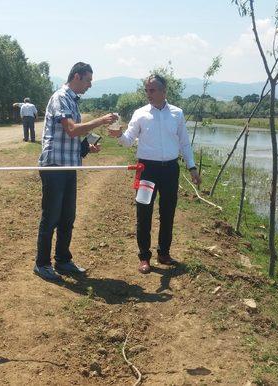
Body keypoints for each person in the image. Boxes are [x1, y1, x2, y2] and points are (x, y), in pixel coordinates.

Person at [108, 74, 201, 274]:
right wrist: (119, 136)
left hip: (170, 170)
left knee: (168, 212)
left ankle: (164, 252)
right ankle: (144, 257)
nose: (148, 94)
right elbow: (128, 140)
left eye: (152, 90)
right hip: (146, 170)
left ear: (163, 91)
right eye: (146, 90)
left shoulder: (177, 113)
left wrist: (192, 167)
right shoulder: (140, 113)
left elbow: (184, 143)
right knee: (144, 213)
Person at [34, 62, 118, 281]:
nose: (90, 85)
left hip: (69, 166)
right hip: (54, 167)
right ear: (77, 77)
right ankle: (42, 264)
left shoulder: (72, 101)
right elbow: (71, 130)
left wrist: (85, 148)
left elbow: (69, 139)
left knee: (67, 216)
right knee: (51, 216)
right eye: (88, 80)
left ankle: (62, 260)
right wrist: (100, 120)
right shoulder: (61, 97)